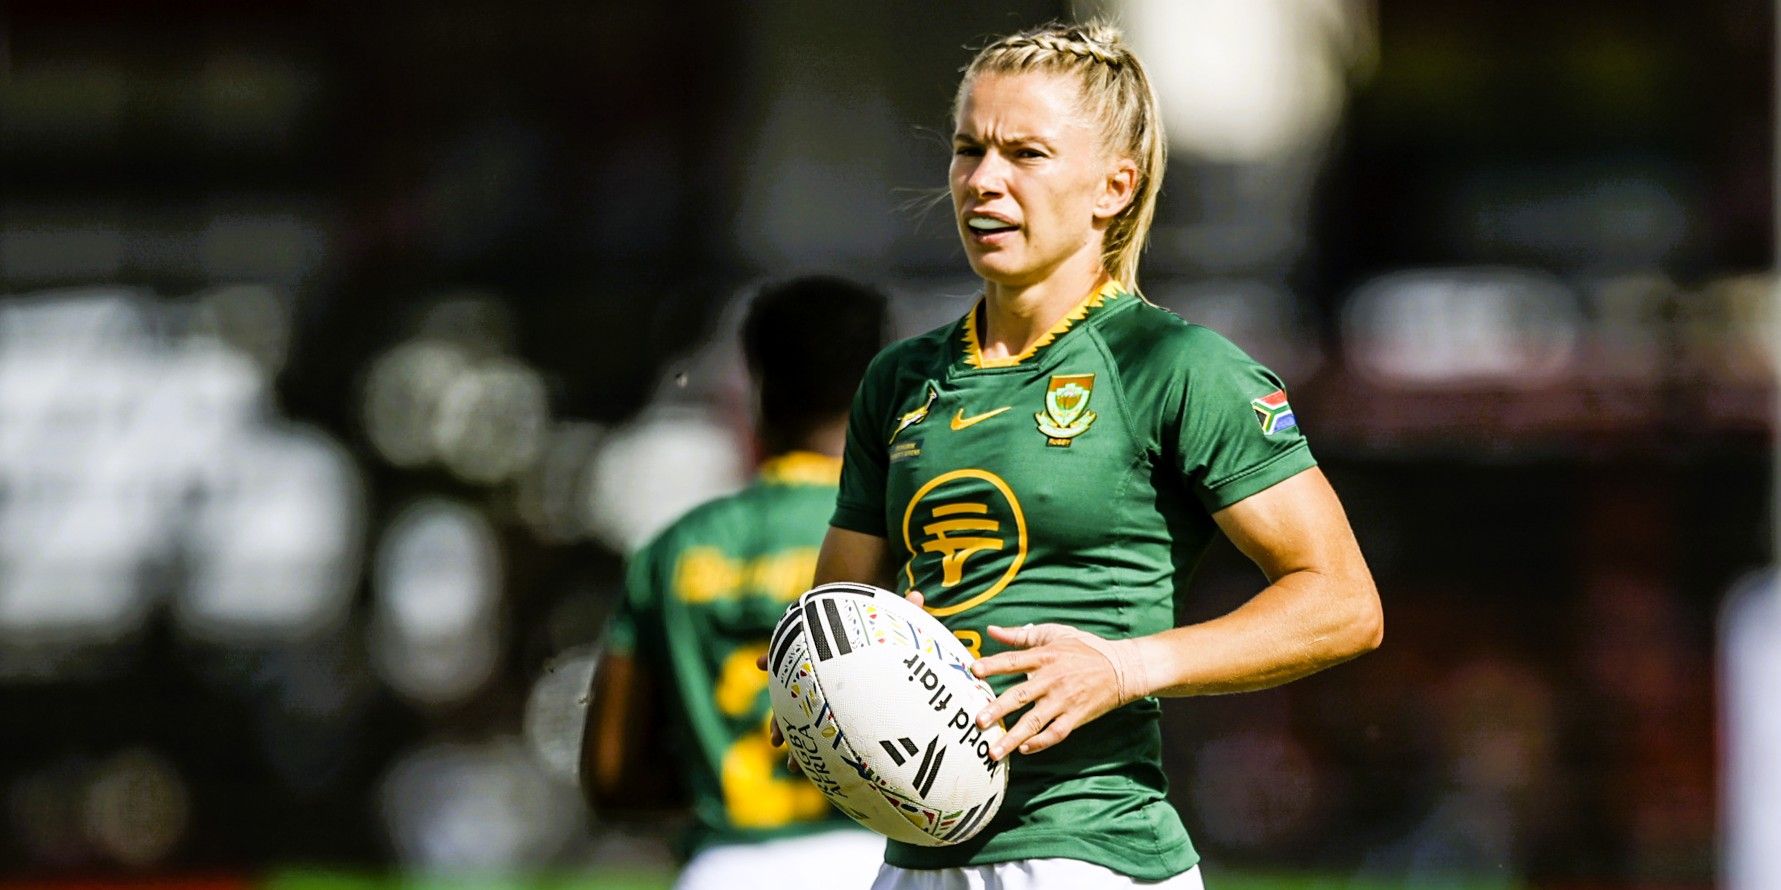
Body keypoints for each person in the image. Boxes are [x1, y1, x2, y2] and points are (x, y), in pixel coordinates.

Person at [810, 21, 1384, 890]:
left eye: (1025, 154)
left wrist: (1123, 665)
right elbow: (836, 607)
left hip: (1087, 853)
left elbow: (1342, 602)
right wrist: (823, 689)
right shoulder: (900, 380)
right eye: (968, 149)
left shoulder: (1173, 366)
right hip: (915, 863)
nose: (983, 180)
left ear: (1114, 186)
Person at [582, 276, 893, 890]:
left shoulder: (673, 550)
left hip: (724, 867)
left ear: (758, 387)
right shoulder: (902, 533)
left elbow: (613, 775)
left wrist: (713, 783)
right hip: (876, 862)